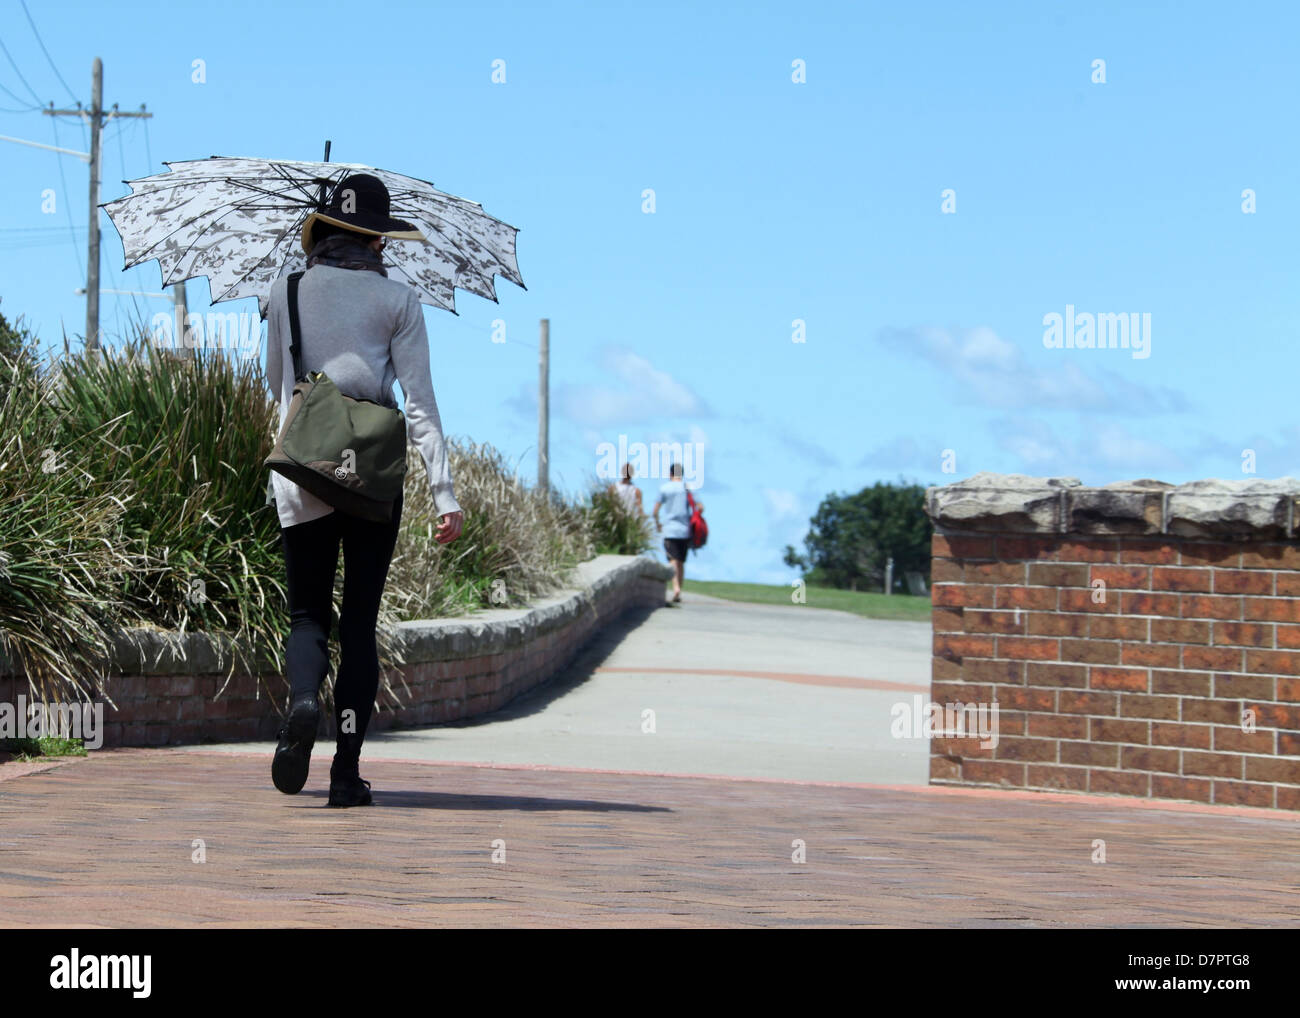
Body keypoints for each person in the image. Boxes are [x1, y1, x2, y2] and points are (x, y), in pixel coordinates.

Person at [264, 173, 463, 808]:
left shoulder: (286, 288)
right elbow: (421, 404)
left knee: (306, 615)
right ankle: (345, 774)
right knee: (360, 626)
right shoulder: (399, 301)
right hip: (373, 474)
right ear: (378, 242)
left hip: (303, 466)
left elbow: (277, 384)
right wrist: (444, 493)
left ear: (320, 231)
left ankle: (301, 703)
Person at [652, 462, 691, 604]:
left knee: (673, 560)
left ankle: (675, 588)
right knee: (680, 561)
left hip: (669, 529)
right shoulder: (687, 489)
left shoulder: (665, 488)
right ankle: (679, 587)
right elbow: (700, 507)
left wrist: (657, 524)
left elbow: (655, 511)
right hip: (685, 530)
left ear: (670, 474)